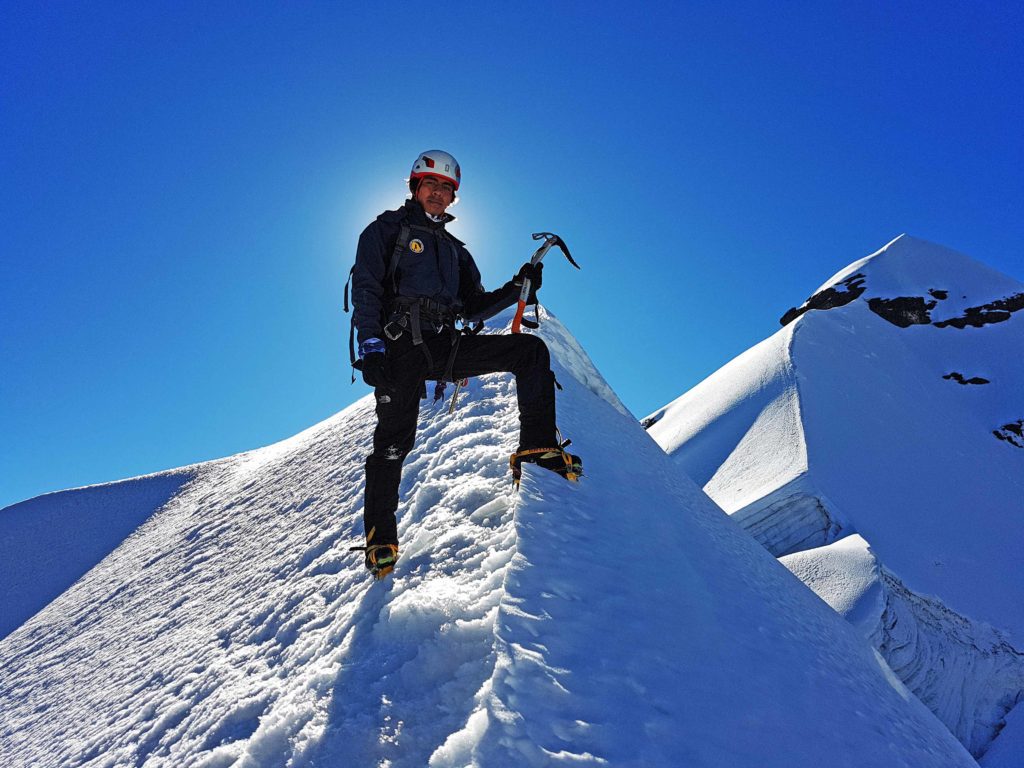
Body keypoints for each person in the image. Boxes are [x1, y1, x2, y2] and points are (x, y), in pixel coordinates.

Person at [349, 149, 582, 578]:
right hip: (399, 348)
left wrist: (517, 287)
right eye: (430, 185)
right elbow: (365, 288)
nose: (437, 193)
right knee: (395, 440)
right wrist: (371, 347)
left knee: (529, 352)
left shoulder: (456, 252)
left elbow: (474, 309)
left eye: (445, 188)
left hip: (445, 345)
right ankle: (381, 537)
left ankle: (535, 448)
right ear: (415, 187)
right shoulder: (386, 230)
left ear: (452, 197)